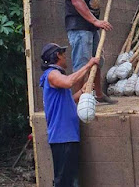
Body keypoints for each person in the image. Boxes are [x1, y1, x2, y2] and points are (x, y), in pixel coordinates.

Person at [65, 0, 121, 104]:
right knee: (82, 63)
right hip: (80, 26)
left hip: (90, 26)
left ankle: (98, 94)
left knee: (97, 60)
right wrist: (96, 21)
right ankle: (80, 100)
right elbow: (77, 1)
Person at [39, 43, 99, 186]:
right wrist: (88, 65)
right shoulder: (52, 74)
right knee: (65, 181)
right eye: (63, 54)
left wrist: (82, 92)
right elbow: (69, 82)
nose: (66, 57)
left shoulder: (56, 77)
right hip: (62, 137)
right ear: (58, 55)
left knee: (71, 180)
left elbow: (69, 101)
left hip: (68, 136)